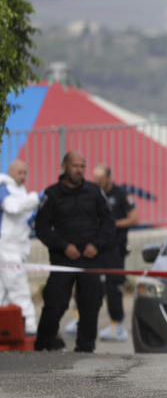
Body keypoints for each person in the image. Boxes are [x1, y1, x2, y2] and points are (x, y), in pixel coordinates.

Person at [34, 151, 114, 352]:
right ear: (64, 167)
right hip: (64, 259)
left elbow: (108, 224)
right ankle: (44, 343)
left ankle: (86, 348)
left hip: (90, 259)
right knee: (55, 303)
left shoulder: (94, 191)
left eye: (82, 166)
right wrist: (63, 246)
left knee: (90, 304)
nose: (79, 170)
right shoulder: (51, 194)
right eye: (75, 166)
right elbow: (42, 228)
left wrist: (96, 245)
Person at [93, 164, 138, 342]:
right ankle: (82, 318)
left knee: (114, 286)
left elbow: (134, 218)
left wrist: (113, 224)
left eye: (101, 181)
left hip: (115, 249)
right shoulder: (95, 195)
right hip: (98, 248)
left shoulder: (121, 195)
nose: (98, 184)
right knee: (90, 285)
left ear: (109, 178)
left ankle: (117, 325)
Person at [0, 160, 41, 335]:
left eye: (25, 172)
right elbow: (12, 207)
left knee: (4, 293)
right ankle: (29, 326)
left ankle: (8, 329)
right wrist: (36, 198)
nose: (23, 176)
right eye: (19, 172)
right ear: (10, 172)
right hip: (8, 250)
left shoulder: (19, 190)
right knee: (19, 290)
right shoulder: (4, 187)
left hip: (16, 249)